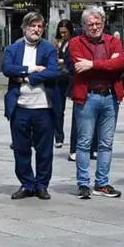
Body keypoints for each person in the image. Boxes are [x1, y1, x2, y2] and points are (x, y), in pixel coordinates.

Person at [67, 7, 124, 200]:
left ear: (103, 23)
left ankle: (102, 183)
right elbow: (79, 67)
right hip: (87, 97)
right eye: (90, 24)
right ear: (83, 26)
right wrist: (108, 64)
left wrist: (92, 64)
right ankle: (83, 184)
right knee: (83, 143)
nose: (94, 27)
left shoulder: (113, 41)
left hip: (110, 97)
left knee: (106, 143)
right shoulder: (75, 43)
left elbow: (119, 65)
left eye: (98, 24)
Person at [2, 12, 59, 200]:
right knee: (21, 148)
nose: (36, 30)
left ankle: (42, 185)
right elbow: (7, 69)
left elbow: (52, 72)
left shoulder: (49, 49)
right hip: (20, 107)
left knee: (44, 150)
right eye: (32, 26)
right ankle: (27, 184)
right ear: (25, 28)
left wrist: (25, 78)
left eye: (40, 26)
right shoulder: (13, 48)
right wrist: (33, 69)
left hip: (44, 107)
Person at [53, 19, 74, 152]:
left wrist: (61, 60)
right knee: (58, 109)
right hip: (59, 76)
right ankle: (58, 137)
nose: (63, 35)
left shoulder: (74, 41)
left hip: (70, 76)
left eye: (65, 32)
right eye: (61, 32)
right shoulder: (57, 42)